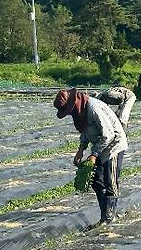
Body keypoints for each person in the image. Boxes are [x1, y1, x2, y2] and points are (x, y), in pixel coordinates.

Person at [54, 88, 128, 226]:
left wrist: (94, 154)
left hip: (114, 145)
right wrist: (81, 150)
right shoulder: (79, 112)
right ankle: (105, 216)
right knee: (95, 181)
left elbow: (108, 135)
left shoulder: (94, 108)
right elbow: (86, 132)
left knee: (110, 181)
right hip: (100, 146)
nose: (70, 114)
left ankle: (109, 219)